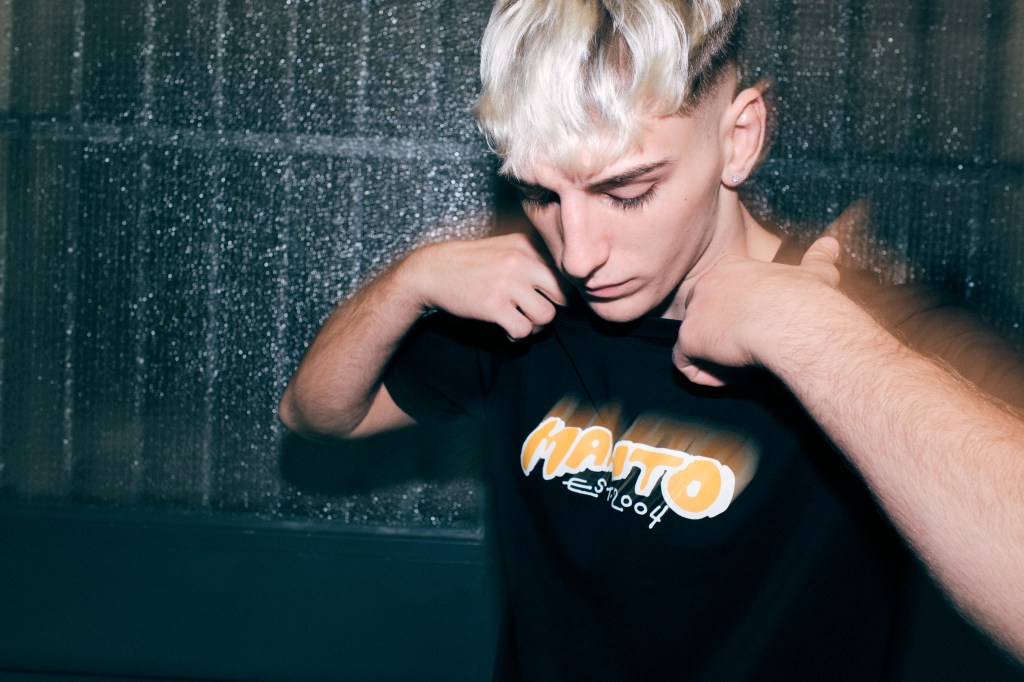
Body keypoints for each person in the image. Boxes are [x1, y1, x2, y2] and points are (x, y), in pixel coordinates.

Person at [279, 0, 1024, 676]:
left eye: (626, 192)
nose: (578, 253)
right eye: (540, 193)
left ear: (739, 137)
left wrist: (809, 336)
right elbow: (316, 414)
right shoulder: (526, 305)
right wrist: (407, 281)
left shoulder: (871, 324)